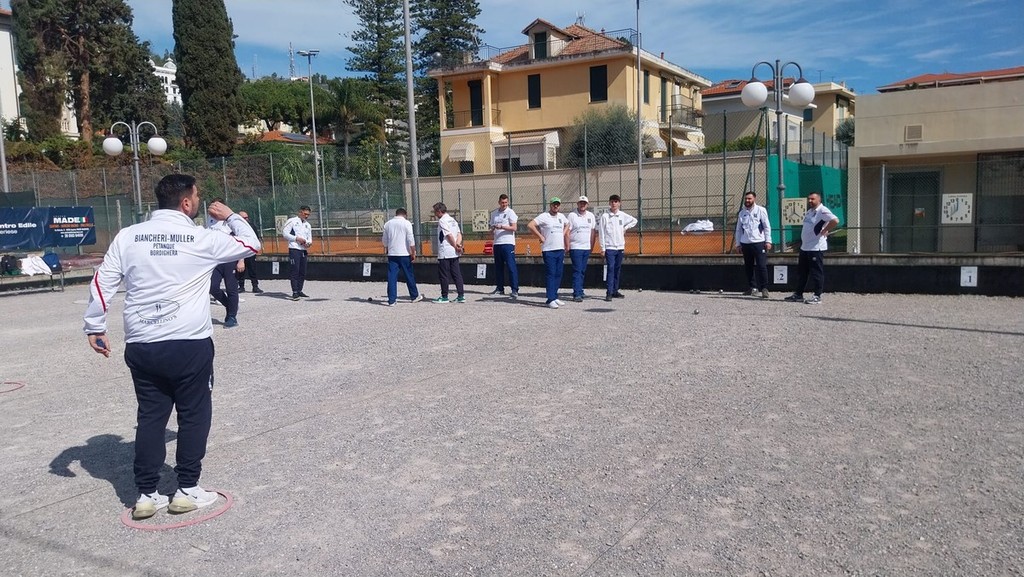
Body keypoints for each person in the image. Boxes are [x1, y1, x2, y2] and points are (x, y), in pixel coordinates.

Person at [83, 173, 261, 520]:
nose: (199, 201)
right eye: (197, 196)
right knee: (194, 413)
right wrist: (231, 216)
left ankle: (146, 494)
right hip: (188, 342)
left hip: (142, 342)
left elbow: (103, 280)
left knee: (151, 416)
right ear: (186, 202)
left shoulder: (128, 236)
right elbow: (252, 245)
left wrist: (95, 325)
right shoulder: (201, 237)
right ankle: (187, 488)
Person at [785, 192, 839, 305]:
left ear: (819, 200)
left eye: (812, 199)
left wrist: (825, 229)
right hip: (805, 247)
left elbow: (835, 220)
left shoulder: (822, 211)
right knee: (802, 272)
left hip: (815, 248)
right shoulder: (809, 212)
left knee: (816, 272)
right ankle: (798, 294)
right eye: (809, 199)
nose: (810, 201)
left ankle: (817, 296)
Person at [527, 197, 570, 309]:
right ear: (550, 205)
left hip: (559, 248)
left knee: (558, 273)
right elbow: (530, 225)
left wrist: (563, 233)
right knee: (551, 273)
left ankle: (554, 296)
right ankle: (550, 299)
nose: (556, 206)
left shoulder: (561, 217)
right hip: (549, 249)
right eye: (554, 204)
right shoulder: (544, 216)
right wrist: (540, 236)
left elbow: (568, 224)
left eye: (557, 204)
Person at [206, 198, 242, 327]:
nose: (214, 209)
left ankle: (232, 316)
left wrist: (241, 260)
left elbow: (241, 240)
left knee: (231, 288)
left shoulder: (231, 220)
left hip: (230, 258)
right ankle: (229, 304)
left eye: (217, 206)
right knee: (212, 287)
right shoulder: (210, 220)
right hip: (215, 259)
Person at [597, 194, 637, 302]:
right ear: (609, 203)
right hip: (610, 247)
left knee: (617, 269)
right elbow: (601, 233)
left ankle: (615, 290)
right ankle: (609, 292)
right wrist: (603, 248)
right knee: (610, 269)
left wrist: (625, 227)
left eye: (616, 201)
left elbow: (634, 220)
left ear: (619, 203)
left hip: (620, 247)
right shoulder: (605, 216)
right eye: (612, 201)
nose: (614, 203)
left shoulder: (622, 215)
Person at [733, 191, 773, 299]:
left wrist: (768, 241)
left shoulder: (761, 210)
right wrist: (738, 244)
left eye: (749, 199)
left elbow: (766, 226)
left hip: (759, 242)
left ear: (754, 199)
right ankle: (752, 287)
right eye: (746, 199)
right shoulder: (742, 213)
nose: (747, 200)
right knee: (748, 267)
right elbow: (738, 230)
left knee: (761, 266)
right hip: (745, 243)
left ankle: (764, 289)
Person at [381, 207, 423, 306]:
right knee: (409, 275)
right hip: (404, 253)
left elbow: (384, 240)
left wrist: (387, 247)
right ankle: (414, 296)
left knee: (392, 276)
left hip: (392, 253)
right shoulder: (407, 223)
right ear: (405, 214)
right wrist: (413, 251)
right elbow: (410, 239)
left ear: (396, 214)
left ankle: (392, 300)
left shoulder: (388, 224)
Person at [432, 202, 465, 303]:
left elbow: (449, 235)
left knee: (444, 275)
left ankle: (444, 296)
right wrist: (458, 245)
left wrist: (455, 246)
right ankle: (461, 295)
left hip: (445, 251)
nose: (435, 214)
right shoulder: (453, 220)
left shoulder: (442, 221)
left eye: (435, 212)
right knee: (456, 274)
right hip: (454, 253)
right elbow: (459, 234)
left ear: (439, 211)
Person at [566, 195, 597, 302]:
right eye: (581, 203)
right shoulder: (572, 215)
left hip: (586, 247)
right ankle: (577, 293)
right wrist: (567, 245)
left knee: (582, 270)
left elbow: (593, 232)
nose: (582, 205)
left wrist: (591, 246)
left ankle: (580, 289)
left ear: (587, 205)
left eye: (584, 203)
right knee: (577, 270)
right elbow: (567, 231)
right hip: (575, 247)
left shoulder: (591, 216)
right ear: (577, 204)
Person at [488, 193, 519, 299]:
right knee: (498, 267)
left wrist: (502, 227)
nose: (504, 204)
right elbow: (491, 228)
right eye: (502, 202)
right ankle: (500, 288)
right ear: (499, 202)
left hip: (508, 243)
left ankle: (514, 289)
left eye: (506, 202)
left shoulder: (511, 212)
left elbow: (514, 228)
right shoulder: (494, 214)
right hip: (497, 243)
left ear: (508, 202)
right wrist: (492, 229)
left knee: (511, 266)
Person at [282, 205, 313, 300]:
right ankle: (295, 291)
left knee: (302, 271)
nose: (306, 216)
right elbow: (285, 233)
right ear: (300, 212)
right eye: (305, 214)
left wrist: (308, 243)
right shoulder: (292, 221)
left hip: (303, 250)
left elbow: (309, 238)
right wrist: (296, 238)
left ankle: (300, 290)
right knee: (295, 270)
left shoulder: (308, 225)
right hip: (294, 249)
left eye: (308, 214)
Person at [236, 211, 262, 294]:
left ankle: (255, 286)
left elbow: (256, 238)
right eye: (244, 218)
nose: (247, 219)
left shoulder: (251, 226)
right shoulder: (236, 226)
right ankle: (241, 286)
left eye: (247, 217)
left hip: (250, 250)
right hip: (240, 250)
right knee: (240, 269)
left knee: (252, 268)